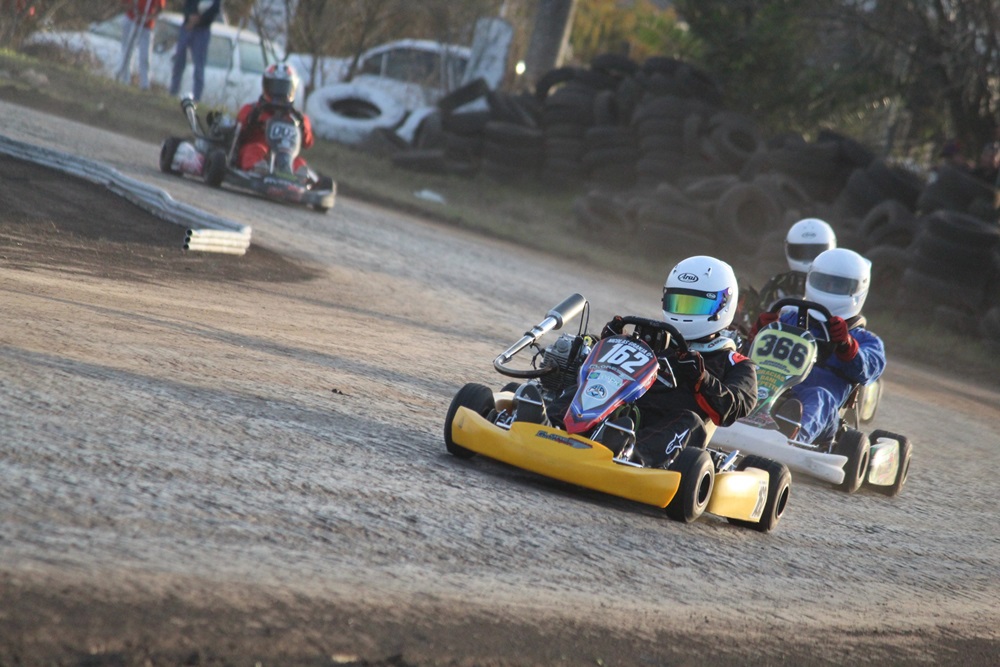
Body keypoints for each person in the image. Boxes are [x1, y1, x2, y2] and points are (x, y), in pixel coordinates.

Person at [516, 255, 758, 469]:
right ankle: (547, 425)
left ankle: (630, 455)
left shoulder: (736, 363)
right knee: (586, 388)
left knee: (690, 421)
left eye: (694, 305)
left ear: (723, 306)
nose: (683, 312)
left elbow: (732, 408)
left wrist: (701, 380)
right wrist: (608, 343)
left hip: (667, 429)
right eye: (678, 303)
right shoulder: (658, 341)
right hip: (621, 411)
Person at [752, 248, 886, 445]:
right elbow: (751, 357)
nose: (830, 288)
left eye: (838, 285)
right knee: (746, 377)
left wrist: (846, 345)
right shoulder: (788, 319)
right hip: (774, 390)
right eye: (824, 282)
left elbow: (868, 370)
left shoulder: (866, 340)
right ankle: (724, 416)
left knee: (820, 397)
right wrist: (760, 332)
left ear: (858, 289)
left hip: (822, 413)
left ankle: (792, 440)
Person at [234, 62, 315, 176]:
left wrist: (302, 125)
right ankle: (257, 171)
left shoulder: (296, 117)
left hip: (285, 155)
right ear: (266, 86)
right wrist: (253, 119)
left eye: (283, 87)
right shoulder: (252, 109)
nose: (279, 92)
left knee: (299, 162)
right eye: (275, 86)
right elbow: (237, 133)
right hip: (259, 150)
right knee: (254, 150)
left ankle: (298, 178)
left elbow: (308, 143)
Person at [756, 217, 837, 313]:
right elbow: (759, 313)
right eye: (801, 252)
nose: (807, 257)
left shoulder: (840, 284)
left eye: (815, 251)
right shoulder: (778, 285)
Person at [169, 0, 222, 102]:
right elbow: (187, 5)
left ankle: (196, 98)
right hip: (187, 27)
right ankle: (173, 92)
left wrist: (199, 19)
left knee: (199, 66)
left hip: (202, 31)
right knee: (179, 61)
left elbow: (214, 10)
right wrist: (190, 16)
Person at [118, 0, 166, 90]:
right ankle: (124, 80)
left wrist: (149, 17)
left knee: (145, 56)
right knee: (127, 51)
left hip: (146, 25)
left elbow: (159, 8)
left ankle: (145, 85)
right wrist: (134, 9)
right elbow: (124, 3)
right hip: (131, 19)